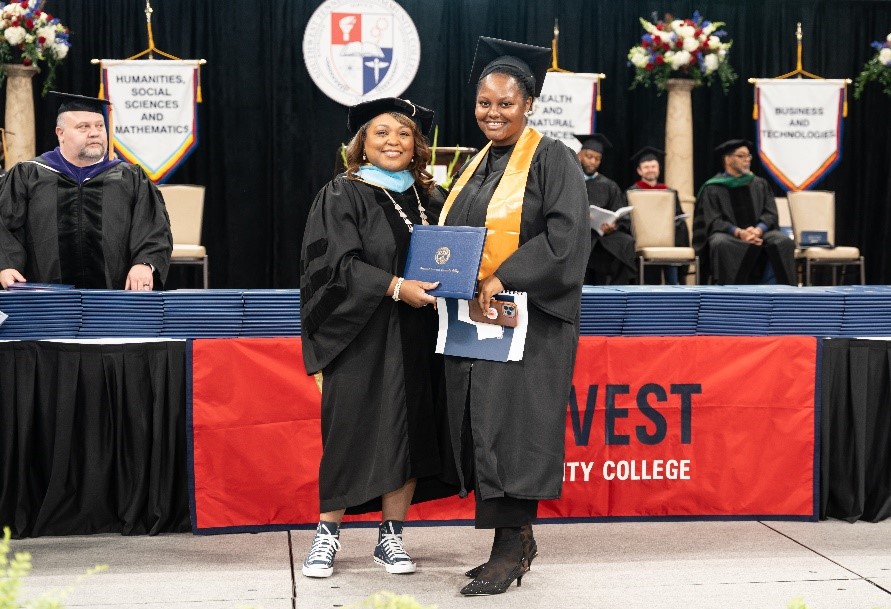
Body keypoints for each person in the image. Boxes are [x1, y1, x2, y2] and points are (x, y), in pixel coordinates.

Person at [440, 37, 589, 596]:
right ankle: (513, 540)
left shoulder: (552, 157)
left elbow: (566, 239)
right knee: (485, 423)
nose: (493, 113)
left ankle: (509, 547)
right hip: (477, 320)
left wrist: (501, 279)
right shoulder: (474, 163)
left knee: (514, 427)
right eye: (484, 103)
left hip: (530, 321)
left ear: (528, 105)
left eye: (505, 103)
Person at [299, 97, 457, 579]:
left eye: (404, 134)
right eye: (382, 133)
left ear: (418, 146)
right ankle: (326, 536)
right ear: (361, 144)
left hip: (420, 330)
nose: (393, 141)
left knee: (412, 431)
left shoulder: (431, 197)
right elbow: (334, 265)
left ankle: (391, 539)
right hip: (362, 331)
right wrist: (393, 287)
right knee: (352, 427)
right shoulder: (343, 193)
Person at [0, 92, 171, 290]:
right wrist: (5, 265)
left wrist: (144, 263)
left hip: (115, 302)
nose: (95, 133)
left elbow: (154, 228)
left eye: (100, 126)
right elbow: (3, 225)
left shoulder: (130, 178)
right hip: (45, 303)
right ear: (60, 133)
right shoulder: (29, 175)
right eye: (84, 127)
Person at [693, 139, 796, 285]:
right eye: (741, 156)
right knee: (720, 243)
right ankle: (730, 294)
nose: (747, 160)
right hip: (729, 235)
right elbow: (713, 220)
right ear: (727, 159)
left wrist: (758, 230)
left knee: (783, 241)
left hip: (759, 234)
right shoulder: (713, 188)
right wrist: (740, 233)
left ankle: (777, 291)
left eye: (748, 156)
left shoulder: (760, 184)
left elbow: (770, 213)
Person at [576, 133, 636, 285]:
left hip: (603, 234)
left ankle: (619, 293)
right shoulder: (570, 179)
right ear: (580, 155)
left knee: (626, 242)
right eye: (589, 156)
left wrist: (614, 225)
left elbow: (620, 213)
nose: (593, 162)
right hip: (577, 233)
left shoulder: (608, 185)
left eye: (597, 159)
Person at [627, 146, 690, 284]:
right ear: (639, 170)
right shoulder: (632, 192)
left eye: (653, 166)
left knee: (680, 226)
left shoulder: (670, 192)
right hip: (642, 236)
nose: (650, 169)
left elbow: (678, 214)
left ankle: (675, 283)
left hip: (668, 238)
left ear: (659, 168)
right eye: (646, 167)